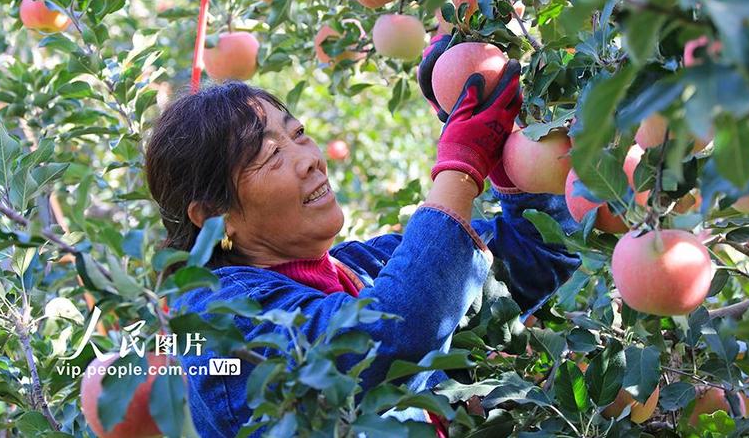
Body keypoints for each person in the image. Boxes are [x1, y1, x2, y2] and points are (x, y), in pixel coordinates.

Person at [144, 36, 581, 438]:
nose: (309, 159)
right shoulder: (220, 323)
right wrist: (461, 166)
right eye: (272, 155)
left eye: (298, 134)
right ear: (216, 217)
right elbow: (396, 331)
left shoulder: (361, 270)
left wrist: (510, 156)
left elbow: (535, 258)